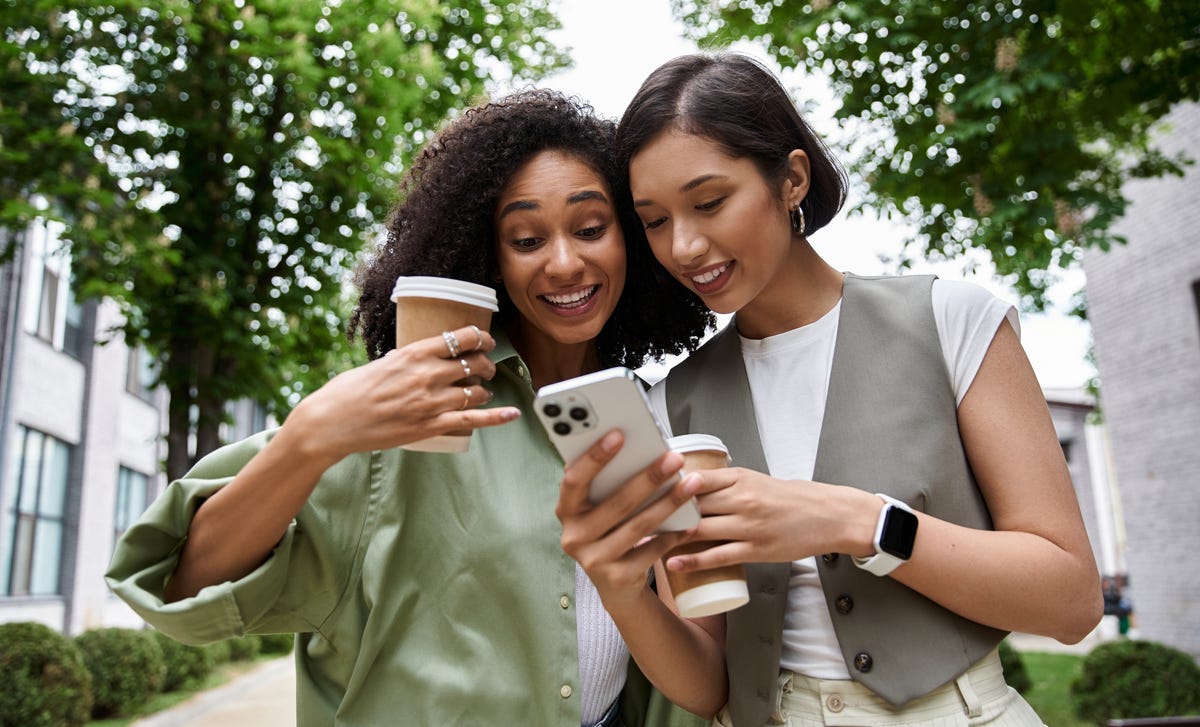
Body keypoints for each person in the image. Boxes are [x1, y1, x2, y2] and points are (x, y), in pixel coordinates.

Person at [105, 88, 719, 727]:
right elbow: (182, 586)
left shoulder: (661, 416)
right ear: (490, 258)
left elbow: (699, 668)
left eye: (591, 229)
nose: (565, 262)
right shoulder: (409, 415)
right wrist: (308, 436)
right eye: (527, 238)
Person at [561, 52, 1104, 726]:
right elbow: (704, 683)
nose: (686, 246)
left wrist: (854, 520)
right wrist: (621, 590)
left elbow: (1072, 600)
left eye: (710, 202)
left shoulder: (952, 321)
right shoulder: (674, 400)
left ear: (792, 178)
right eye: (655, 220)